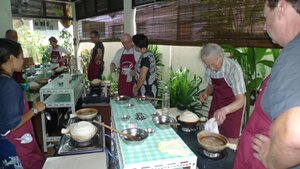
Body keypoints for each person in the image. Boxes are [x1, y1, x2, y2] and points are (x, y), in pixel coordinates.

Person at [234, 0, 300, 168]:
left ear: (281, 6)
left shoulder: (294, 54)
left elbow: (294, 133)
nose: (264, 27)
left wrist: (271, 160)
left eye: (265, 17)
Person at [0, 38, 46, 169]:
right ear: (11, 58)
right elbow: (12, 124)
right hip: (15, 146)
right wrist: (34, 110)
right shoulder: (9, 85)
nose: (23, 60)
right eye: (21, 56)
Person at [198, 43, 246, 144]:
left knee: (230, 141)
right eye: (208, 65)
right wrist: (206, 92)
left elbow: (241, 100)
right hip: (217, 105)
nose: (211, 68)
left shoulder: (233, 69)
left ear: (221, 56)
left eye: (214, 65)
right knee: (212, 137)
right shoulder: (210, 66)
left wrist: (225, 110)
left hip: (233, 109)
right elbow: (211, 85)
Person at [132, 33, 157, 98]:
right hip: (142, 87)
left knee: (144, 108)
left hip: (147, 89)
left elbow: (142, 77)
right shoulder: (145, 54)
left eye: (134, 44)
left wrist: (135, 89)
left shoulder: (146, 58)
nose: (133, 46)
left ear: (138, 46)